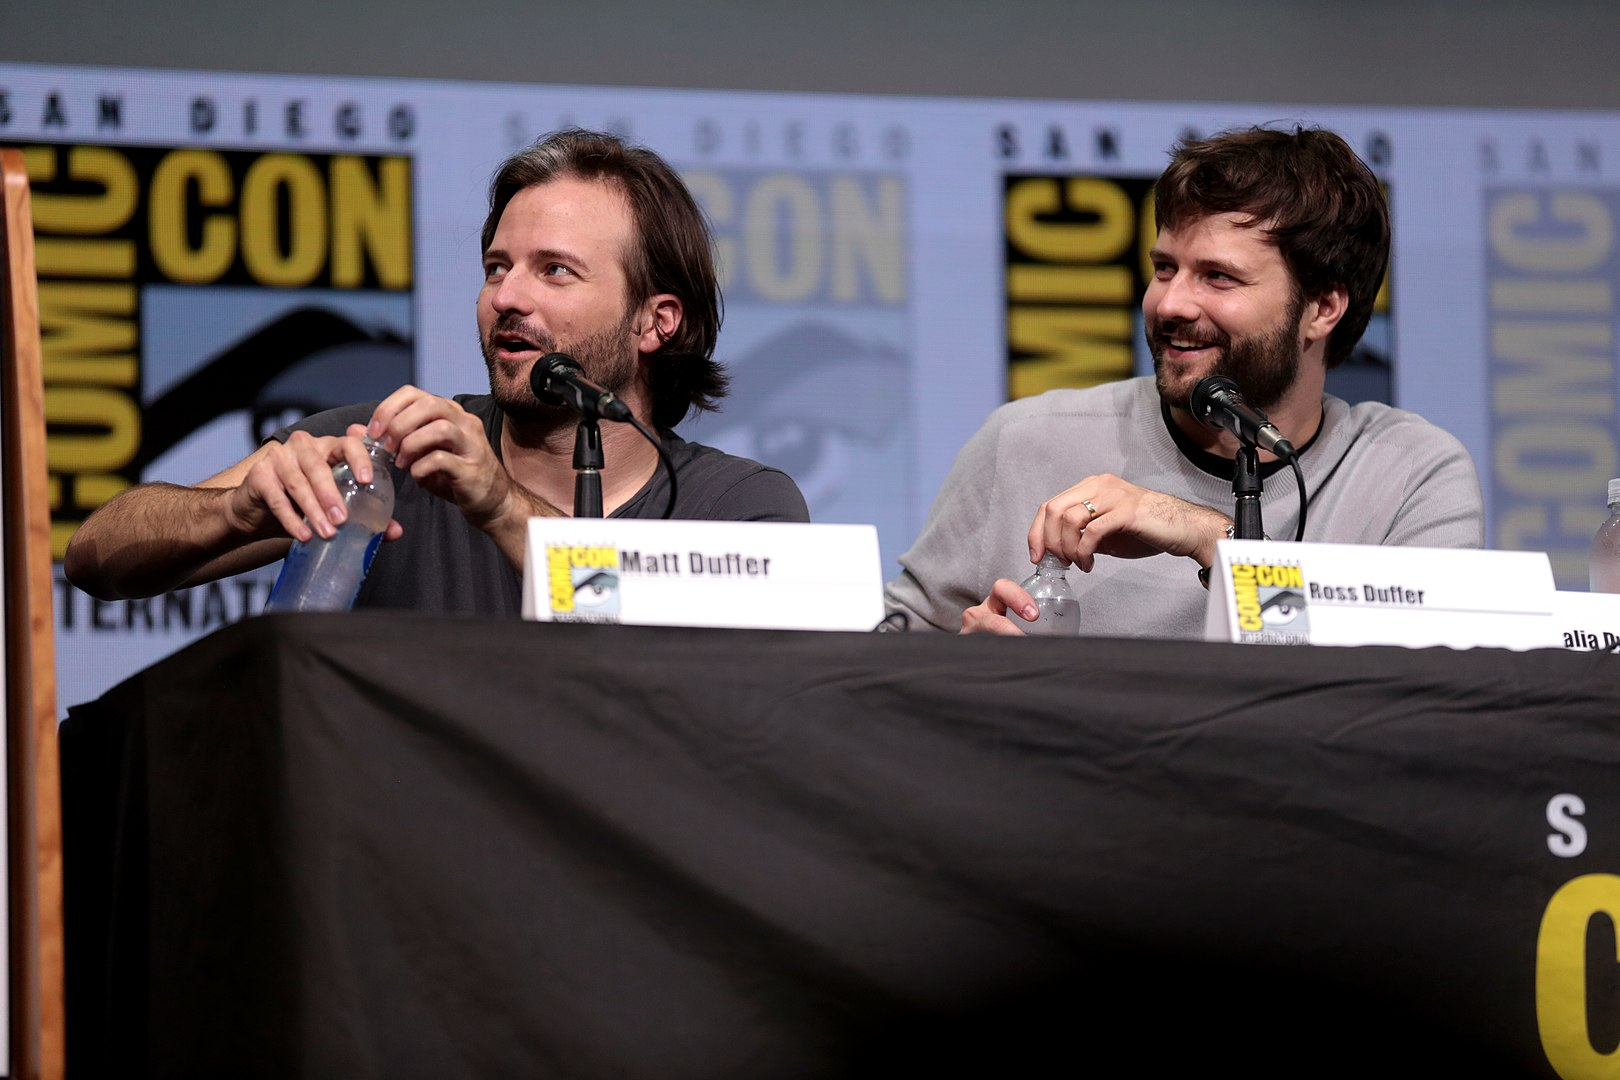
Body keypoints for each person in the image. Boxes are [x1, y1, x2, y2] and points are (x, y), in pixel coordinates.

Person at [64, 129, 809, 615]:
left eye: (555, 271)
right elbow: (96, 555)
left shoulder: (743, 507)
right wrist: (231, 513)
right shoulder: (389, 451)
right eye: (497, 268)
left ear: (656, 320)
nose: (506, 297)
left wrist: (499, 505)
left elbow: (673, 648)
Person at [884, 126, 1483, 638]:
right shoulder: (1025, 442)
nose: (1170, 303)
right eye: (1165, 268)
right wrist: (958, 670)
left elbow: (1424, 697)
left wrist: (1207, 535)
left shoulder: (1408, 473)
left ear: (1322, 308)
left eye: (1218, 277)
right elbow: (873, 661)